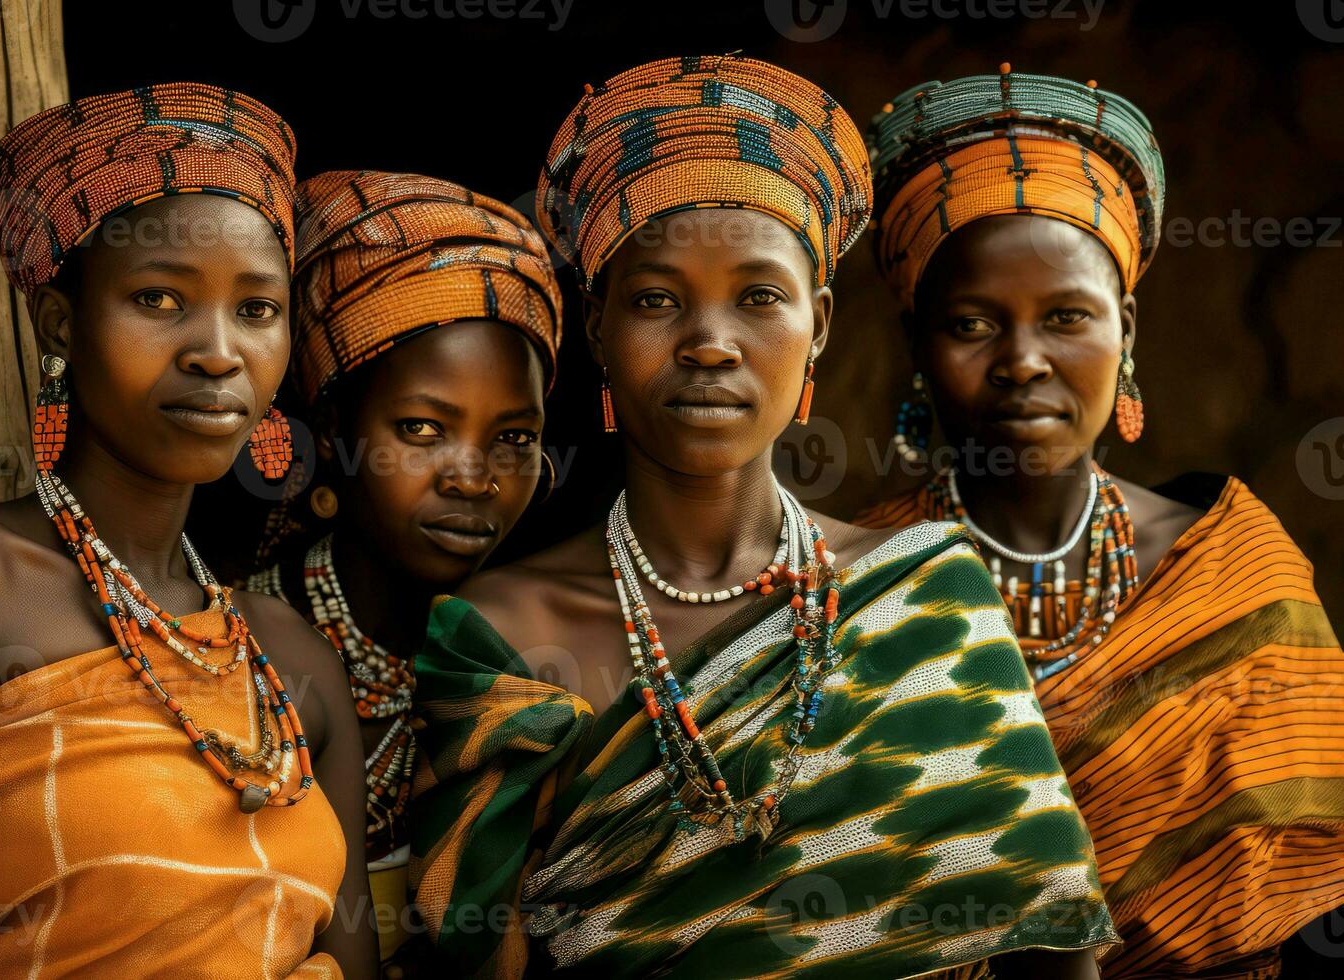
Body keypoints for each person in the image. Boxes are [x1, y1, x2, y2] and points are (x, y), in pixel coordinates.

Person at [409, 55, 1117, 979]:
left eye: (759, 298)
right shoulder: (502, 642)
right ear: (597, 328)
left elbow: (1053, 953)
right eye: (659, 299)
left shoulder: (924, 600)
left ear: (818, 324)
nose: (710, 342)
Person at [855, 64, 1344, 977]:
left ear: (1126, 330)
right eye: (972, 325)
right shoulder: (857, 584)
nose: (1024, 361)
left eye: (1068, 317)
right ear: (917, 349)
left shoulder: (1236, 570)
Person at [0, 83, 374, 978]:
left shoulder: (290, 658)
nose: (217, 351)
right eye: (158, 298)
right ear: (60, 324)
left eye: (256, 310)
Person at [246, 169, 562, 969]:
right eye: (423, 428)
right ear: (333, 428)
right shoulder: (238, 654)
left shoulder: (518, 663)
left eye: (514, 438)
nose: (472, 476)